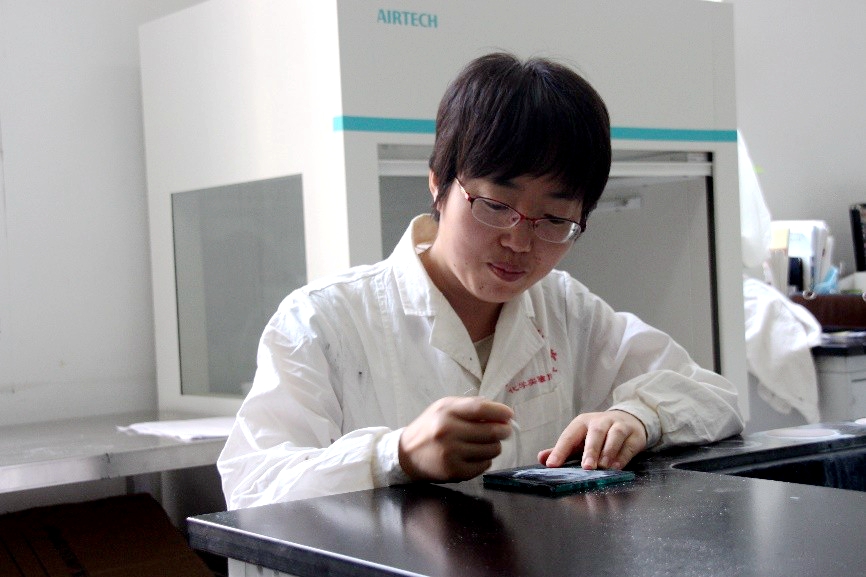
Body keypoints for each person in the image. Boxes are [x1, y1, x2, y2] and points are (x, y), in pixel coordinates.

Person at [218, 52, 744, 509]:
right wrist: (394, 456)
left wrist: (638, 417)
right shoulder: (323, 320)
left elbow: (714, 397)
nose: (520, 241)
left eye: (554, 220)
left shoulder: (566, 310)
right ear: (438, 183)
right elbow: (251, 485)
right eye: (495, 205)